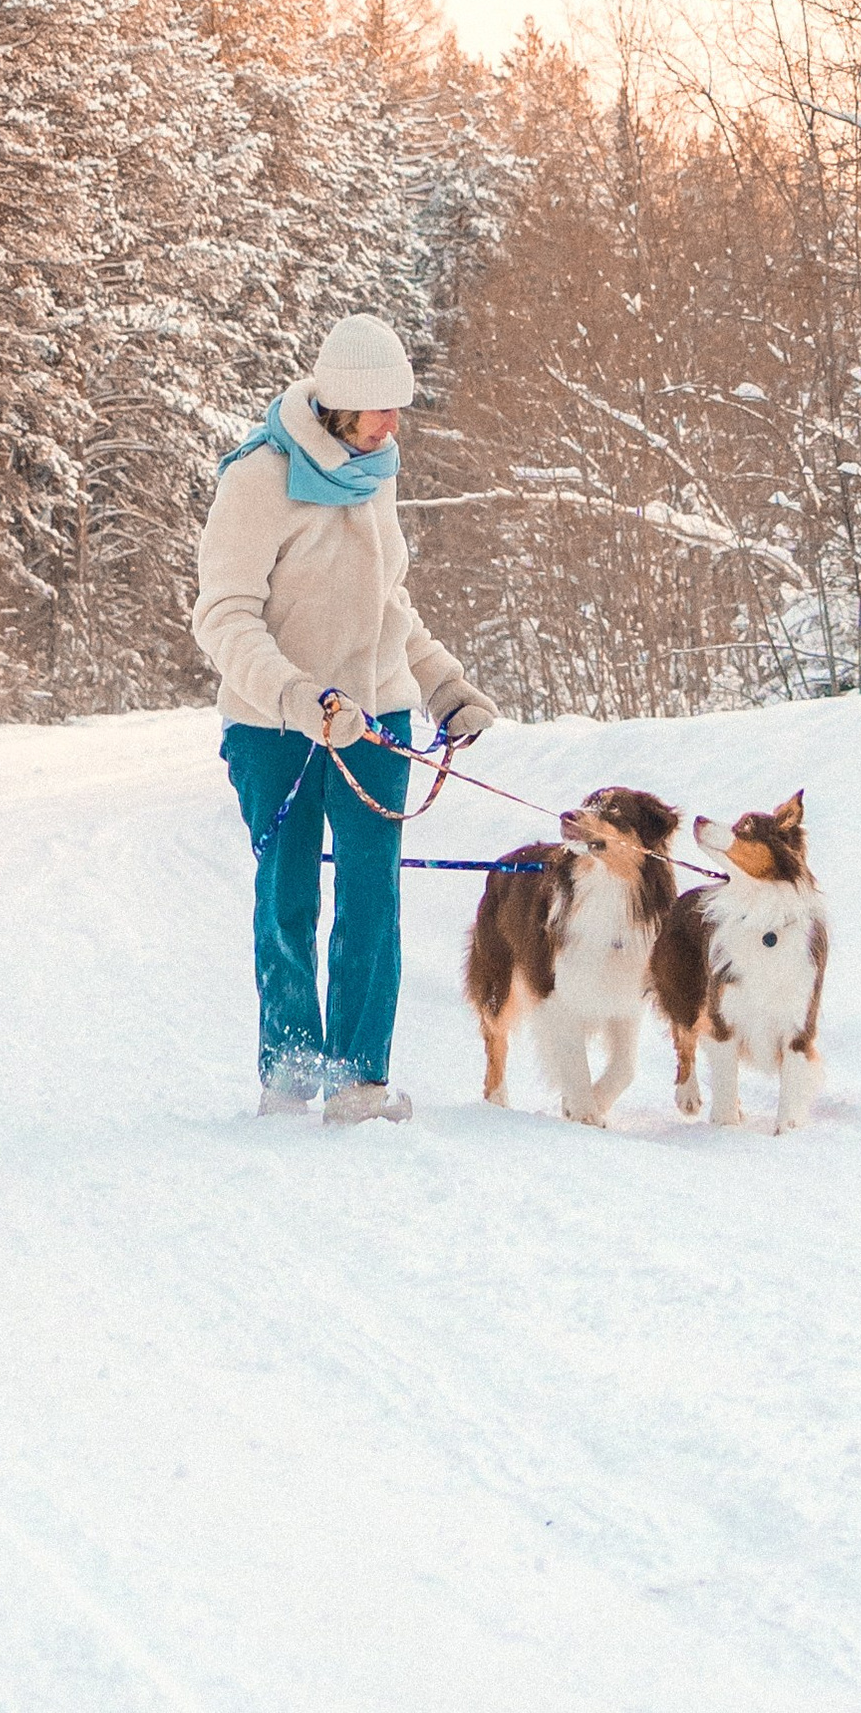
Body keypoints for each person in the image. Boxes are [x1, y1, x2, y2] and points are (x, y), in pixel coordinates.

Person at [191, 310, 498, 1123]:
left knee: (372, 899)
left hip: (377, 721)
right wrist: (298, 698)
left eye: (401, 408)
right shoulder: (258, 479)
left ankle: (362, 1080)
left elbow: (386, 602)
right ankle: (292, 1065)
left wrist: (442, 686)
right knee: (289, 893)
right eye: (379, 410)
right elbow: (223, 616)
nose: (394, 425)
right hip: (275, 725)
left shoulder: (374, 471)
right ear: (337, 406)